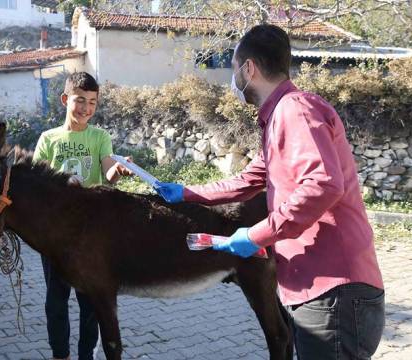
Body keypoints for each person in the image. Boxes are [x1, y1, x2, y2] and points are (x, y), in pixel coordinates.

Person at [154, 25, 385, 360]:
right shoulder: (279, 117)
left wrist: (258, 234)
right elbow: (248, 180)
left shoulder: (294, 111)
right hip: (322, 291)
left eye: (234, 71)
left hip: (334, 292)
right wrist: (188, 192)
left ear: (249, 69)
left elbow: (323, 184)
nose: (233, 83)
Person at [32, 72, 133, 360]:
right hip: (54, 235)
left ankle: (86, 355)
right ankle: (60, 354)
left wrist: (119, 170)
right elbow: (38, 185)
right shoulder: (48, 139)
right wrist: (62, 183)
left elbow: (108, 172)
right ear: (66, 100)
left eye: (92, 102)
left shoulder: (100, 137)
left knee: (90, 302)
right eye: (80, 101)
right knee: (56, 300)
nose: (86, 108)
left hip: (90, 236)